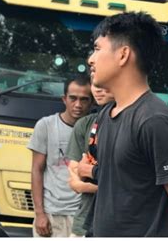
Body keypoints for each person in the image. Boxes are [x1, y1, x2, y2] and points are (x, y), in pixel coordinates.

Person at [79, 12, 168, 236]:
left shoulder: (154, 121)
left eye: (98, 49)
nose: (91, 59)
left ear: (123, 55)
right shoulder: (107, 114)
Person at [27, 75, 92, 237]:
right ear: (64, 99)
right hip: (51, 214)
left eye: (84, 100)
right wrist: (40, 213)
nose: (78, 105)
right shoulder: (46, 125)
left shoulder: (96, 129)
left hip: (83, 216)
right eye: (73, 98)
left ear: (92, 102)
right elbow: (36, 170)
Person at [66, 84, 114, 237]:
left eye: (104, 83)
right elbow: (76, 182)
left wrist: (89, 172)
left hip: (121, 222)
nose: (98, 88)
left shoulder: (137, 121)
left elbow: (132, 183)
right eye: (94, 83)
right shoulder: (85, 124)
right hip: (85, 222)